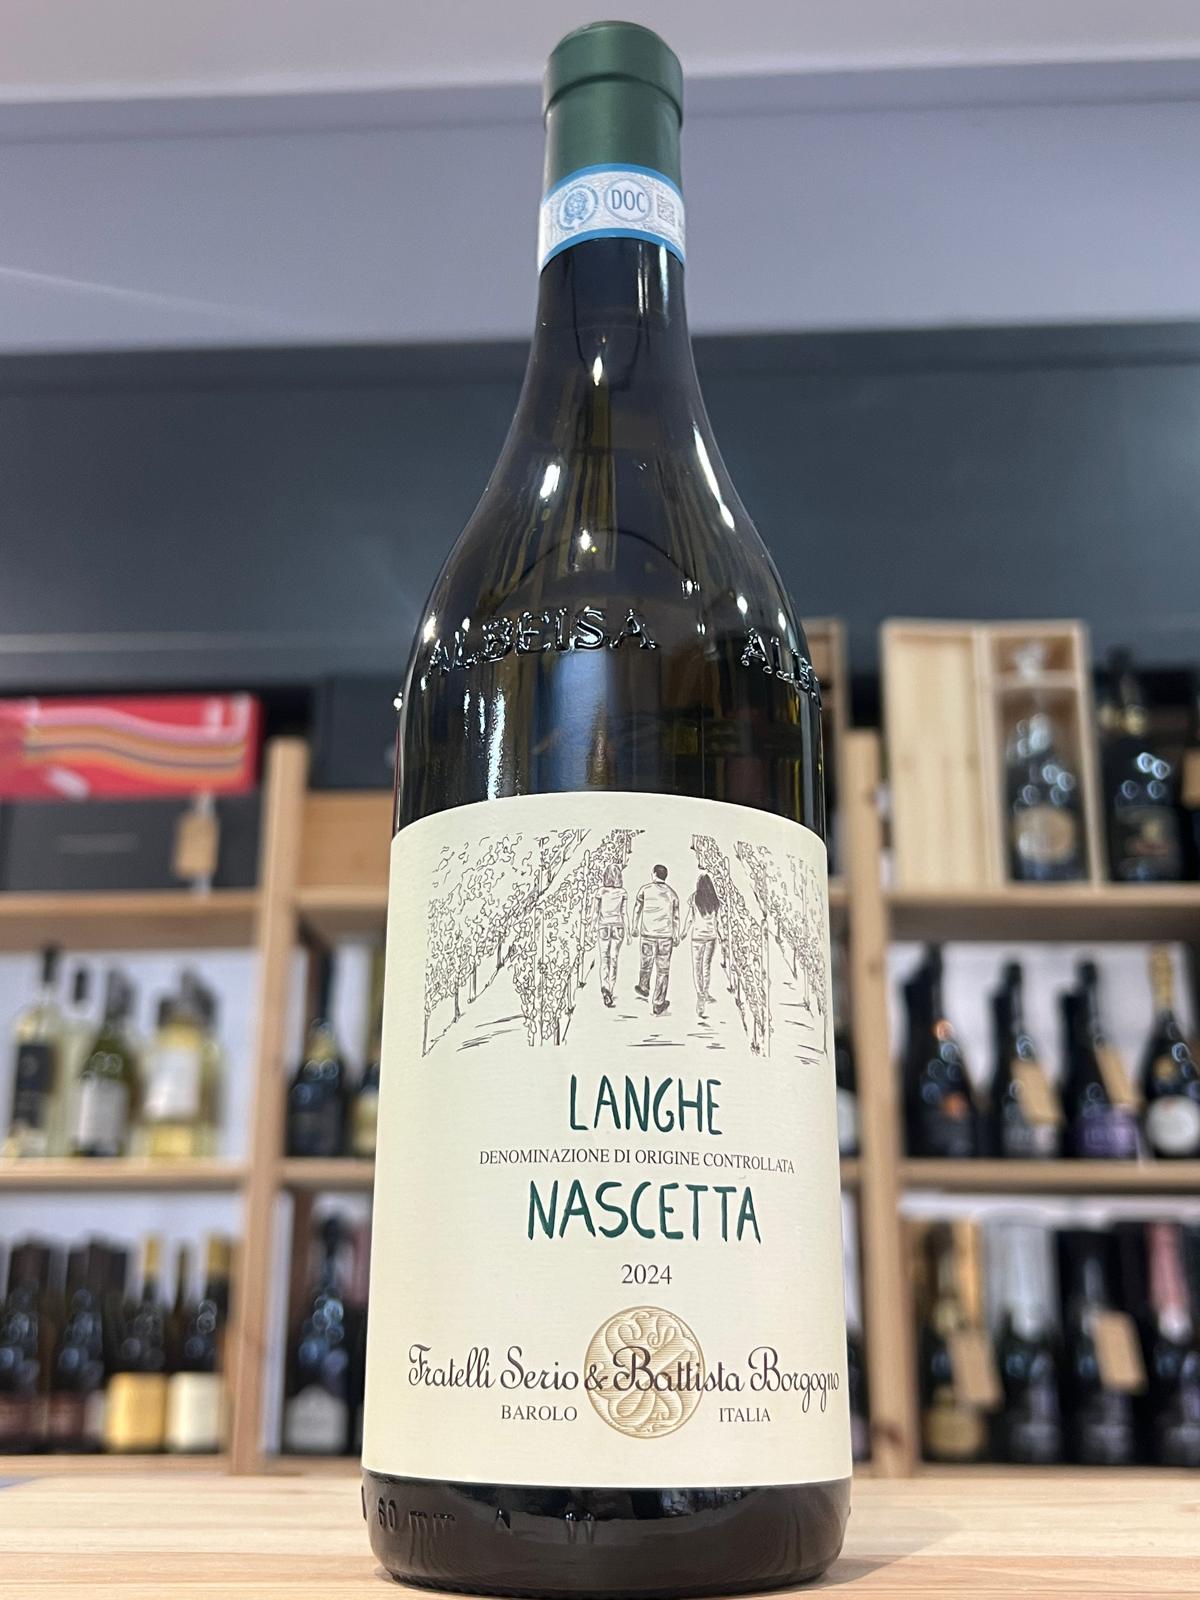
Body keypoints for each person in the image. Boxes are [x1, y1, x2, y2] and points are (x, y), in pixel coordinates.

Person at [633, 864, 679, 1016]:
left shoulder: (645, 890)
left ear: (654, 874)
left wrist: (634, 926)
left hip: (647, 934)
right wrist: (676, 934)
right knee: (663, 970)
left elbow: (637, 909)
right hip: (666, 937)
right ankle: (658, 1003)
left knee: (646, 961)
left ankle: (643, 986)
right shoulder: (672, 894)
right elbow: (675, 917)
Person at [681, 872, 721, 1018]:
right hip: (711, 936)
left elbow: (690, 918)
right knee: (706, 967)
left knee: (697, 967)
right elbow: (717, 921)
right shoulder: (715, 901)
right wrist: (720, 935)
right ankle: (706, 991)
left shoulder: (694, 898)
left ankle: (700, 995)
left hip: (697, 936)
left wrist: (684, 932)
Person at [592, 862, 629, 1008]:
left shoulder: (600, 892)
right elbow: (624, 914)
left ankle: (605, 986)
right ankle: (610, 990)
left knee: (604, 959)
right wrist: (629, 932)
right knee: (614, 959)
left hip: (604, 926)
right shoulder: (623, 893)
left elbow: (595, 912)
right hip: (618, 927)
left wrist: (591, 928)